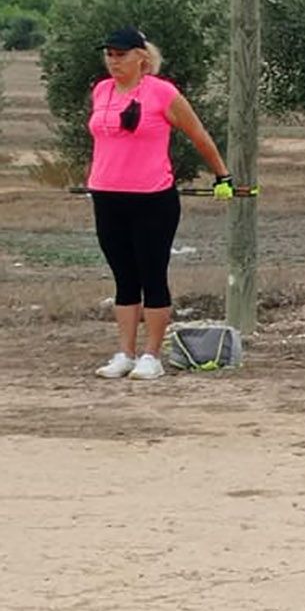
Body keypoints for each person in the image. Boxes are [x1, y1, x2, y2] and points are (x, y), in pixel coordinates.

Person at [85, 27, 236, 381]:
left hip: (152, 197)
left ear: (142, 57)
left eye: (121, 54)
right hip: (107, 195)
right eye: (109, 54)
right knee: (124, 277)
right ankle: (125, 352)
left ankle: (152, 355)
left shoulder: (162, 93)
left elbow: (198, 134)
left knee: (152, 274)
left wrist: (222, 175)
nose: (113, 61)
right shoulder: (102, 91)